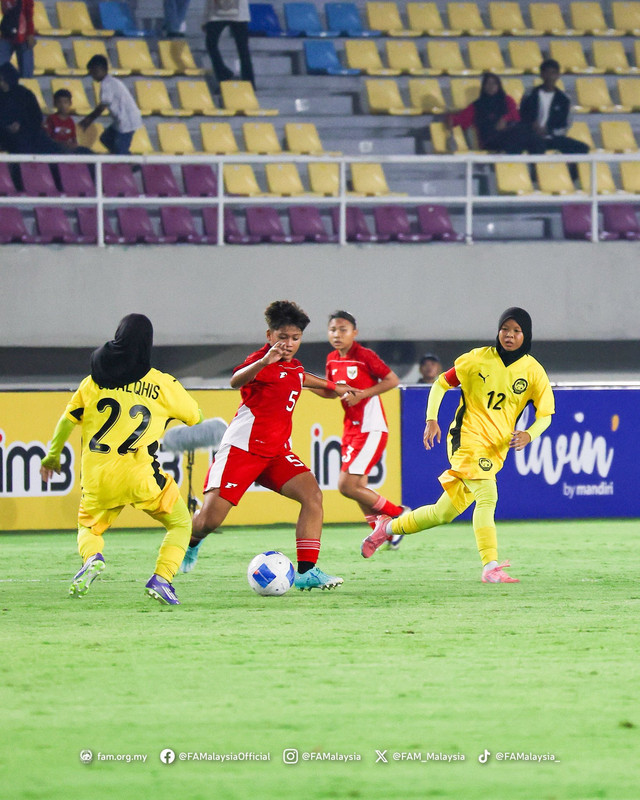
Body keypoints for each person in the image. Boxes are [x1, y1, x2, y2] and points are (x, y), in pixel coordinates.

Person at [361, 307, 555, 584]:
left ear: (527, 335)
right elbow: (441, 384)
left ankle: (387, 527)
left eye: (516, 330)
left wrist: (529, 434)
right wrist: (431, 419)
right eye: (505, 329)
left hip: (495, 449)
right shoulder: (477, 359)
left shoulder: (533, 371)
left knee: (443, 513)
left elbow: (546, 415)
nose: (509, 335)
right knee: (488, 496)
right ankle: (490, 566)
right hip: (465, 438)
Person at [180, 300, 354, 590]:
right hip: (243, 450)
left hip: (276, 454)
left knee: (312, 497)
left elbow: (300, 376)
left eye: (295, 338)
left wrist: (334, 387)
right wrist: (263, 361)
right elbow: (236, 381)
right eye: (282, 337)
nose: (289, 344)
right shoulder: (259, 361)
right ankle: (191, 541)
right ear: (269, 335)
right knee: (209, 521)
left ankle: (307, 571)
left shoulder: (293, 367)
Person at [39, 314, 202, 606]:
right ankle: (162, 579)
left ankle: (92, 558)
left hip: (99, 479)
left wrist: (52, 456)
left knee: (89, 528)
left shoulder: (92, 382)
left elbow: (67, 420)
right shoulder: (163, 384)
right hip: (141, 477)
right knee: (180, 524)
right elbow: (196, 417)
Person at [315, 311, 406, 550]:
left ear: (354, 332)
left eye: (342, 329)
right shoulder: (332, 359)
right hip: (351, 429)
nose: (337, 334)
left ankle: (398, 514)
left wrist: (363, 394)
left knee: (347, 486)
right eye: (332, 330)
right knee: (357, 489)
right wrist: (302, 383)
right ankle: (386, 533)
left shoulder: (364, 356)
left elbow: (392, 380)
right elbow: (330, 391)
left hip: (371, 427)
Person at [519, 58, 589, 178]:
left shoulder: (564, 99)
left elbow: (566, 125)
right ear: (541, 74)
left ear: (558, 75)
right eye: (547, 72)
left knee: (582, 147)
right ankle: (536, 177)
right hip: (532, 136)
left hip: (553, 136)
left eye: (553, 73)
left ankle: (571, 178)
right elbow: (521, 116)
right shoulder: (530, 94)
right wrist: (532, 127)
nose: (550, 76)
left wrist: (548, 131)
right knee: (536, 145)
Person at [447, 72, 533, 153]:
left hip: (510, 135)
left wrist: (504, 119)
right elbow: (461, 119)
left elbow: (515, 115)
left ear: (498, 86)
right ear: (484, 86)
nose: (491, 86)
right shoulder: (477, 105)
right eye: (488, 83)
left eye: (494, 83)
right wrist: (450, 118)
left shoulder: (507, 100)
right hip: (489, 141)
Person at [80, 54, 142, 155]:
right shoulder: (111, 81)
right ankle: (123, 156)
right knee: (105, 138)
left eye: (92, 72)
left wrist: (87, 120)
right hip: (121, 119)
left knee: (120, 150)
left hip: (127, 120)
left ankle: (126, 160)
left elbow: (102, 107)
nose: (92, 75)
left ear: (99, 69)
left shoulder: (107, 84)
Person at [0, 62, 65, 154]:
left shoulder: (25, 94)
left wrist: (21, 126)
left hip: (29, 133)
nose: (1, 83)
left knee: (53, 148)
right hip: (5, 136)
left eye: (3, 80)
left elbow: (36, 117)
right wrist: (6, 127)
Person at [203, 0, 255, 88]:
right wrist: (206, 19)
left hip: (238, 13)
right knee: (211, 43)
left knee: (243, 48)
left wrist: (206, 20)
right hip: (218, 13)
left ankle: (248, 82)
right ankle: (224, 74)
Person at [0, 0, 35, 78]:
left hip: (24, 36)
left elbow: (29, 15)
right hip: (7, 34)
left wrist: (30, 33)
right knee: (1, 64)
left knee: (26, 72)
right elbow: (5, 10)